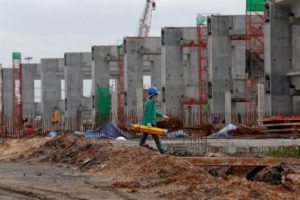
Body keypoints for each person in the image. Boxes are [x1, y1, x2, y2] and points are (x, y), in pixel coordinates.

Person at [140, 86, 168, 154]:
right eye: (156, 95)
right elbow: (149, 112)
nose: (157, 96)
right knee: (156, 137)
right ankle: (161, 150)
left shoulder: (151, 102)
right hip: (149, 123)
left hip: (149, 122)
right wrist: (149, 122)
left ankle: (140, 147)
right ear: (153, 95)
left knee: (145, 136)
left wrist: (162, 115)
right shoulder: (150, 102)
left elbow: (154, 112)